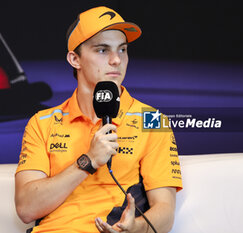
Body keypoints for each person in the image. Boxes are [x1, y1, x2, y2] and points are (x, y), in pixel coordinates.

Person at [15, 6, 182, 233]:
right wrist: (88, 161)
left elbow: (165, 210)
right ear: (75, 59)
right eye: (103, 50)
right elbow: (26, 208)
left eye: (122, 50)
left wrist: (135, 228)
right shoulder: (42, 122)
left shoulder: (152, 120)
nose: (116, 60)